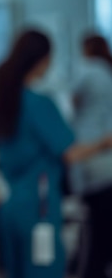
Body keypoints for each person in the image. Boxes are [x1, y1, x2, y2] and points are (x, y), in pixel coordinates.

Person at [0, 29, 112, 278]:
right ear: (42, 60)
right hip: (37, 209)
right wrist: (105, 143)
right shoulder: (39, 103)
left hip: (8, 206)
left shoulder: (3, 98)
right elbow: (70, 153)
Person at [70, 33, 112, 278]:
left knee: (95, 239)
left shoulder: (88, 71)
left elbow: (72, 101)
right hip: (108, 161)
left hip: (94, 161)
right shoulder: (108, 72)